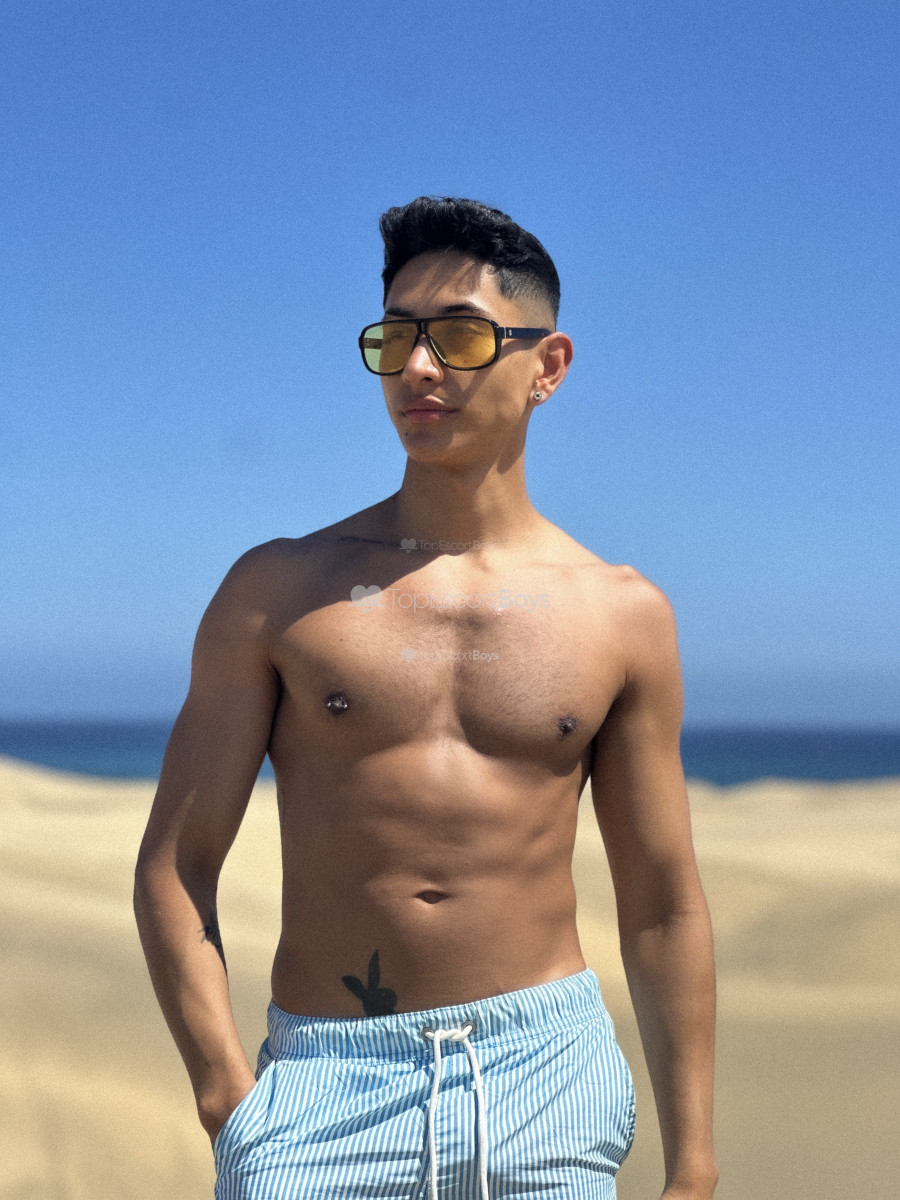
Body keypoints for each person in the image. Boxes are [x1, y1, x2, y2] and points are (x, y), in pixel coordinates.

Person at [134, 196, 717, 1200]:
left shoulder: (622, 616)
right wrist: (229, 1096)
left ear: (548, 366)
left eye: (459, 337)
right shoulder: (279, 592)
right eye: (395, 338)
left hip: (546, 1084)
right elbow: (177, 866)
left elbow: (662, 904)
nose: (418, 367)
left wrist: (694, 1165)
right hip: (324, 1093)